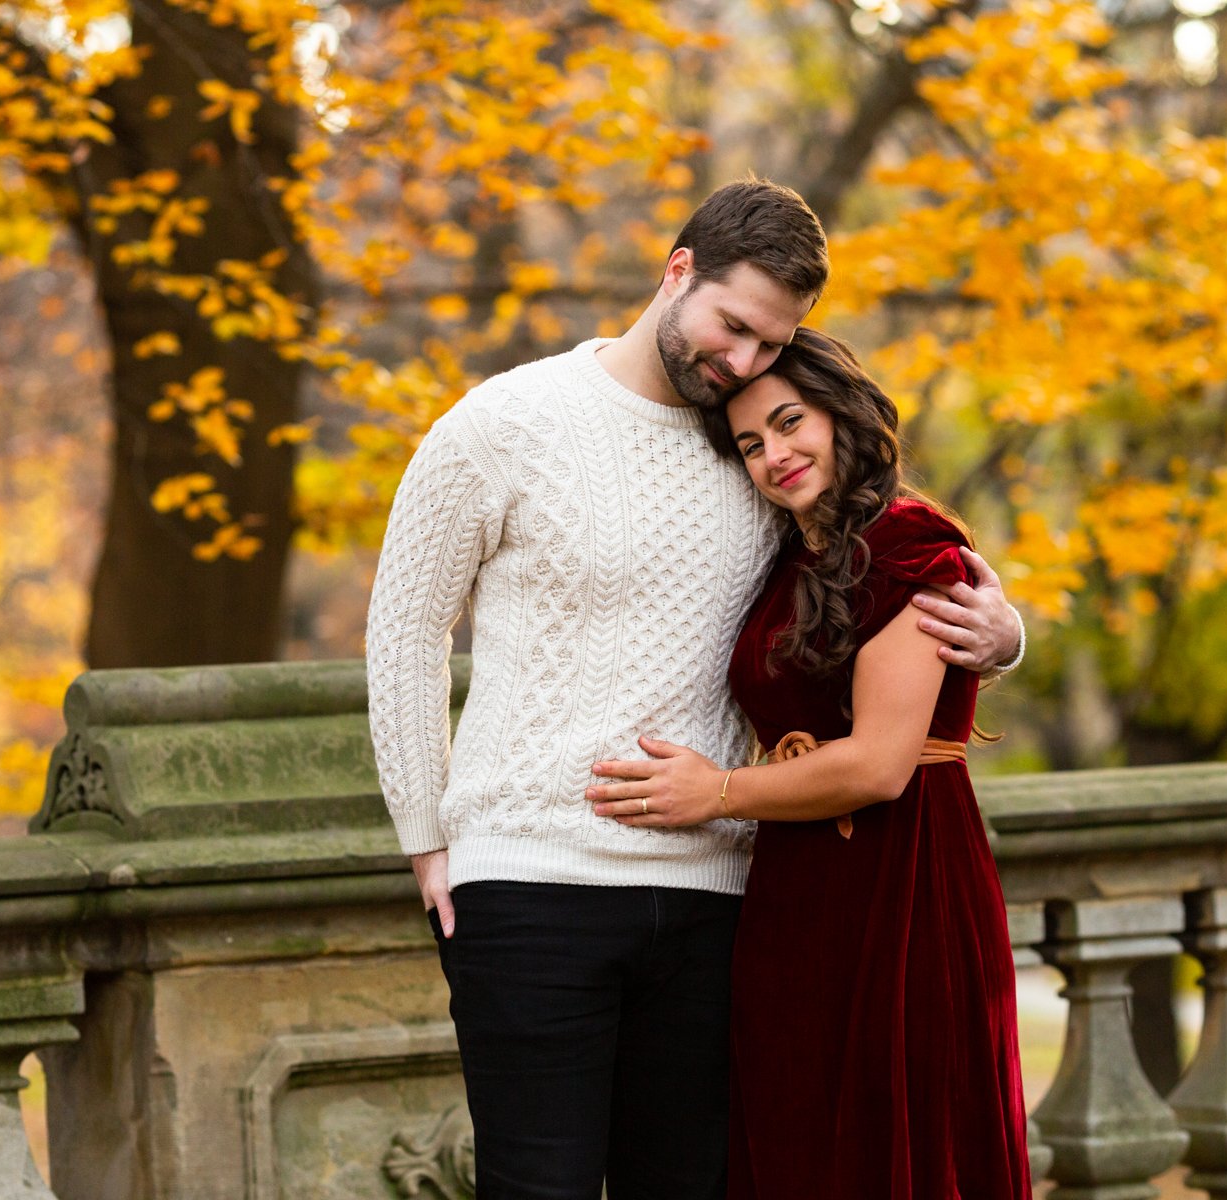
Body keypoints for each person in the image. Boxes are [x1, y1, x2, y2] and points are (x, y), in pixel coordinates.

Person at [365, 179, 1023, 1200]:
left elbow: (879, 550)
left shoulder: (751, 450)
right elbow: (406, 626)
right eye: (734, 327)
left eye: (771, 344)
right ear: (679, 273)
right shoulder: (502, 423)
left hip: (720, 897)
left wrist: (1003, 631)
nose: (746, 364)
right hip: (533, 882)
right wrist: (428, 835)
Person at [586, 329, 1028, 1200]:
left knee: (892, 1133)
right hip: (793, 889)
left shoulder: (913, 546)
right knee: (797, 1137)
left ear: (842, 413)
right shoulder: (789, 557)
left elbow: (877, 766)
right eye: (751, 444)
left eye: (790, 424)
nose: (774, 455)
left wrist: (713, 792)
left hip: (901, 886)